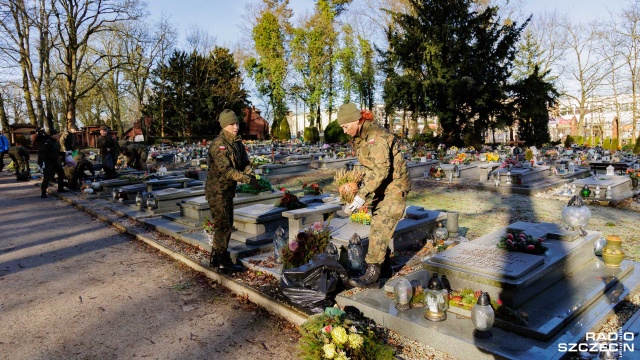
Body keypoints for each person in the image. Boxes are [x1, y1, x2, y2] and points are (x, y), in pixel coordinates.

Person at [338, 102, 410, 288]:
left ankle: (372, 272)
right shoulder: (362, 136)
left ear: (356, 120)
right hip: (382, 187)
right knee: (379, 223)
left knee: (380, 226)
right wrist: (356, 185)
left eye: (346, 126)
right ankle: (384, 268)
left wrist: (362, 195)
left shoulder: (375, 136)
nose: (344, 131)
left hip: (394, 187)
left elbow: (382, 169)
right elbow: (371, 166)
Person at [205, 109, 260, 273]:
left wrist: (250, 173)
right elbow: (226, 171)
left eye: (236, 123)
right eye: (231, 124)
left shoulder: (236, 143)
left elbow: (245, 162)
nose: (235, 127)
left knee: (226, 223)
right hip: (217, 191)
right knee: (224, 225)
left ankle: (215, 257)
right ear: (224, 126)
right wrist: (245, 179)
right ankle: (222, 261)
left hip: (228, 190)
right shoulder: (219, 145)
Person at [37, 129, 66, 198]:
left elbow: (56, 152)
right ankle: (43, 192)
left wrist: (64, 154)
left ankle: (60, 188)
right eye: (56, 134)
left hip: (55, 161)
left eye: (57, 134)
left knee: (61, 173)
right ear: (52, 135)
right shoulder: (48, 142)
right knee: (47, 177)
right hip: (48, 162)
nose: (57, 135)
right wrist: (40, 162)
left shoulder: (56, 142)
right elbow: (42, 153)